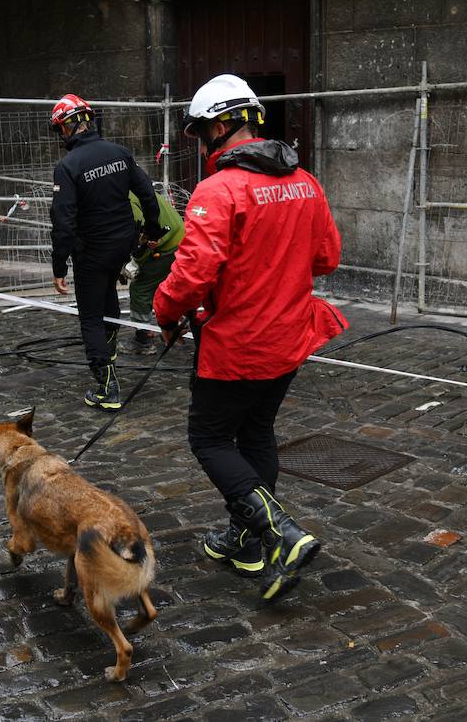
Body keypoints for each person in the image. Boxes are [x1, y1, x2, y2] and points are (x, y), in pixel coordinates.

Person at [154, 74, 346, 602]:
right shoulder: (306, 181)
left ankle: (279, 534)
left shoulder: (219, 189)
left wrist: (163, 308)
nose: (198, 143)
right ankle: (246, 539)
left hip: (239, 343)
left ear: (221, 125)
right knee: (256, 434)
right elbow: (327, 257)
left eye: (198, 133)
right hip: (290, 340)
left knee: (210, 439)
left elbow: (193, 272)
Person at [49, 94, 165, 410]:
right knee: (109, 299)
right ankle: (110, 356)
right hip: (122, 246)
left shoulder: (68, 166)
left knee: (90, 317)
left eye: (60, 130)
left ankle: (106, 386)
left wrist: (59, 266)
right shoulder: (119, 153)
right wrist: (151, 230)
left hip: (92, 252)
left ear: (67, 128)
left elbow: (63, 221)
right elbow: (147, 193)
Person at [123, 188, 184, 354]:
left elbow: (140, 233)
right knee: (168, 287)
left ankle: (143, 339)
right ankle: (175, 327)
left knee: (141, 289)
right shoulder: (136, 189)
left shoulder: (124, 199)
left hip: (165, 245)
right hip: (179, 238)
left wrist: (136, 261)